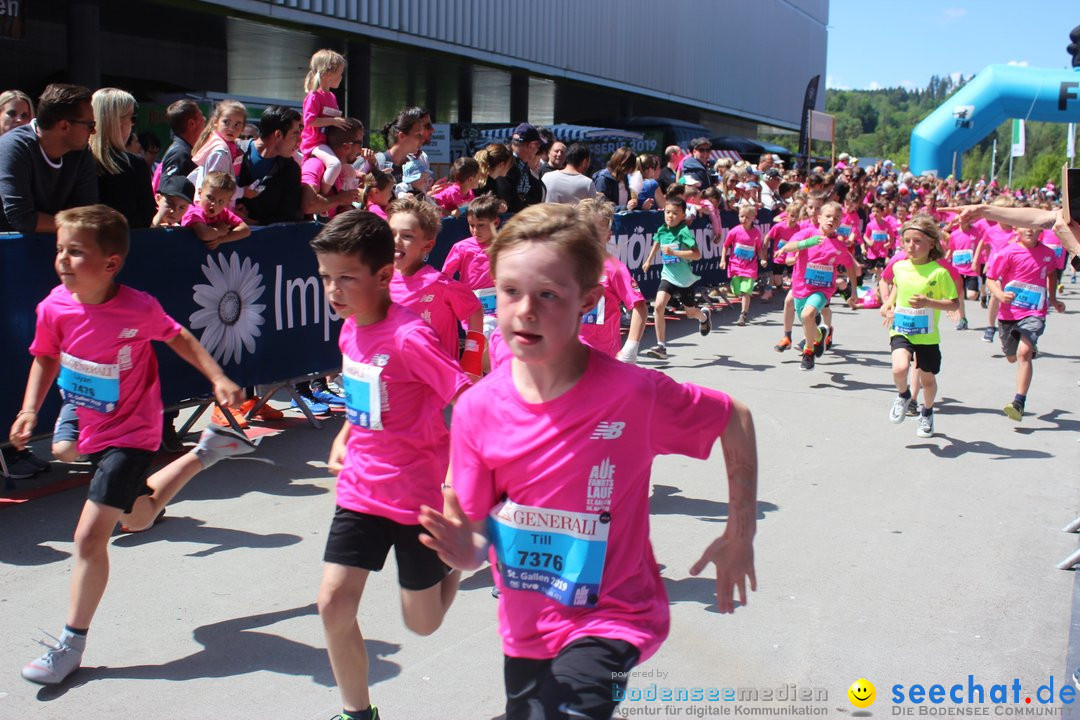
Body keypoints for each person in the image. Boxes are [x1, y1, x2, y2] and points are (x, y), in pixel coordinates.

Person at [417, 203, 758, 720]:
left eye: (548, 295)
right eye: (510, 292)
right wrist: (463, 550)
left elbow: (734, 418)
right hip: (527, 627)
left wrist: (740, 533)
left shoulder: (633, 394)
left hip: (616, 617)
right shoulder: (475, 410)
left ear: (590, 301)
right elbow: (478, 529)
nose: (525, 310)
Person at [10, 204, 255, 686]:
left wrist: (218, 376)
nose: (62, 260)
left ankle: (69, 645)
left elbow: (180, 337)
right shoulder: (53, 306)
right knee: (136, 517)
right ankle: (206, 450)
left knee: (89, 537)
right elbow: (45, 358)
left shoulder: (137, 307)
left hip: (132, 430)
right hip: (82, 415)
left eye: (75, 252)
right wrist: (28, 410)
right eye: (60, 249)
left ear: (110, 264)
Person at [311, 210, 471, 720]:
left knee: (422, 623)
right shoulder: (350, 330)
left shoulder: (409, 337)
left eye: (345, 278)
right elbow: (365, 395)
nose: (333, 290)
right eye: (326, 279)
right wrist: (343, 434)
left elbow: (466, 400)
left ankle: (462, 557)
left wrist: (453, 484)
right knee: (333, 604)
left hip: (416, 498)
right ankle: (358, 713)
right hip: (361, 489)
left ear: (383, 276)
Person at [879, 215, 959, 438]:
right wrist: (888, 304)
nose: (911, 246)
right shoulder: (899, 267)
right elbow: (896, 287)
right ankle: (904, 395)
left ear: (931, 243)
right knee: (899, 368)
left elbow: (954, 302)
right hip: (901, 328)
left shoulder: (939, 272)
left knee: (927, 380)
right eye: (907, 241)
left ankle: (927, 411)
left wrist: (929, 303)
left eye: (917, 241)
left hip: (927, 336)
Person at [387, 195, 485, 377]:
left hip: (439, 387)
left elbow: (474, 310)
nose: (396, 241)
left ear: (428, 245)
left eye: (407, 235)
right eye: (391, 234)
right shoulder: (382, 282)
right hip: (398, 384)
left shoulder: (440, 284)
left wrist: (472, 358)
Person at [985, 226, 1064, 421]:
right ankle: (1027, 346)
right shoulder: (1008, 252)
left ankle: (1018, 402)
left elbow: (1052, 274)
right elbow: (991, 279)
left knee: (1023, 353)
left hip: (1034, 311)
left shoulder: (1047, 253)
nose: (1030, 230)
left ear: (1042, 230)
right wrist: (1000, 294)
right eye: (1026, 226)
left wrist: (1053, 299)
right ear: (1017, 229)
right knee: (1012, 357)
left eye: (1035, 226)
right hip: (1009, 313)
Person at [0, 83, 97, 234]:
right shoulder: (13, 147)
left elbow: (88, 213)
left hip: (61, 246)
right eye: (90, 125)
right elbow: (22, 218)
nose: (94, 131)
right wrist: (75, 226)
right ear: (65, 126)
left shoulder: (81, 152)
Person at [774, 201, 859, 371]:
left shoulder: (839, 246)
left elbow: (851, 267)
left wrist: (854, 291)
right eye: (828, 216)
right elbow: (788, 247)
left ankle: (808, 352)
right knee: (808, 322)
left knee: (808, 315)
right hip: (801, 287)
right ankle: (820, 335)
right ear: (819, 218)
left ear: (839, 222)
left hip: (822, 289)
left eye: (836, 219)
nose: (831, 221)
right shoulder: (807, 234)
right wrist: (807, 243)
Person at [576, 197, 648, 362]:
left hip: (603, 356)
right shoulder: (567, 266)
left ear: (608, 235)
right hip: (569, 356)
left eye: (596, 230)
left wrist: (630, 348)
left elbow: (640, 308)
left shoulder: (615, 269)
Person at [641, 195, 712, 359]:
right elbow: (657, 243)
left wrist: (674, 252)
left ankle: (703, 317)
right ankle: (661, 347)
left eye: (675, 213)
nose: (670, 216)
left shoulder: (683, 232)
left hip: (685, 279)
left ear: (682, 216)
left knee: (690, 313)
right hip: (668, 275)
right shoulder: (662, 229)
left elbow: (696, 255)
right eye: (667, 212)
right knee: (658, 306)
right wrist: (649, 260)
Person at [89, 88, 155, 229]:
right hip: (125, 245)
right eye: (132, 118)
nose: (132, 124)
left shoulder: (76, 160)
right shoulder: (135, 166)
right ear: (116, 122)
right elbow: (147, 215)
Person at [442, 193, 504, 338]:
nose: (475, 230)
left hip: (501, 306)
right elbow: (445, 277)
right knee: (480, 341)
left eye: (481, 225)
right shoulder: (462, 247)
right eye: (471, 225)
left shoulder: (505, 246)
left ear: (495, 222)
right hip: (472, 307)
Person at [235, 105, 305, 226]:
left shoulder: (291, 169)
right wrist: (229, 211)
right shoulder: (233, 153)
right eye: (295, 134)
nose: (300, 140)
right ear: (278, 134)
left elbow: (289, 216)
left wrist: (252, 223)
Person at [301, 49, 350, 195]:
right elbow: (309, 121)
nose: (341, 77)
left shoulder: (332, 96)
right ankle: (322, 196)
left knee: (349, 170)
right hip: (314, 142)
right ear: (328, 74)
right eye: (339, 73)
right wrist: (333, 121)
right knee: (334, 165)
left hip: (327, 142)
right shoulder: (314, 96)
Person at [301, 119, 363, 219]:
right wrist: (340, 199)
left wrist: (347, 206)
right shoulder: (315, 164)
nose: (361, 150)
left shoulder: (341, 169)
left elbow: (335, 207)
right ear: (347, 146)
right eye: (360, 144)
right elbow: (308, 205)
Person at [721, 204, 767, 326]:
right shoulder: (734, 231)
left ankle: (743, 314)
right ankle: (736, 289)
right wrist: (723, 260)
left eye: (747, 217)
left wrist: (762, 259)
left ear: (753, 218)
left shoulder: (756, 233)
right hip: (736, 265)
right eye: (741, 216)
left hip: (750, 267)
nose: (744, 219)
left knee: (746, 291)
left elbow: (759, 249)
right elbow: (725, 246)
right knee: (737, 291)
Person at [181, 172, 251, 250]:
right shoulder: (192, 211)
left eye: (221, 201)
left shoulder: (223, 212)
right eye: (210, 197)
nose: (214, 204)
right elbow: (204, 234)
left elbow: (245, 230)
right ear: (200, 192)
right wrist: (220, 231)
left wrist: (221, 240)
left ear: (227, 202)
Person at [189, 99, 246, 186]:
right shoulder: (220, 152)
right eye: (226, 122)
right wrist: (242, 192)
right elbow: (215, 188)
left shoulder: (229, 146)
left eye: (237, 124)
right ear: (215, 121)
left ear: (243, 128)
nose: (231, 128)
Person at [155, 99, 205, 191]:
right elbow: (168, 193)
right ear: (191, 124)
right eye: (201, 117)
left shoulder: (186, 151)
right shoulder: (179, 154)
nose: (204, 120)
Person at [496, 123, 545, 212]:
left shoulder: (523, 164)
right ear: (531, 146)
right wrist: (524, 201)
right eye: (538, 146)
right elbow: (509, 201)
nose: (538, 150)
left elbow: (536, 197)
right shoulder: (505, 164)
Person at [375, 107, 427, 183]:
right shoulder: (378, 162)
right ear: (401, 136)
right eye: (418, 135)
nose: (422, 140)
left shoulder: (413, 163)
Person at [592, 146, 638, 211]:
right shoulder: (603, 179)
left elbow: (627, 204)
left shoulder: (624, 177)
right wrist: (624, 208)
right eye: (629, 168)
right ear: (622, 165)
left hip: (623, 219)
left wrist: (638, 205)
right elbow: (601, 207)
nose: (630, 171)